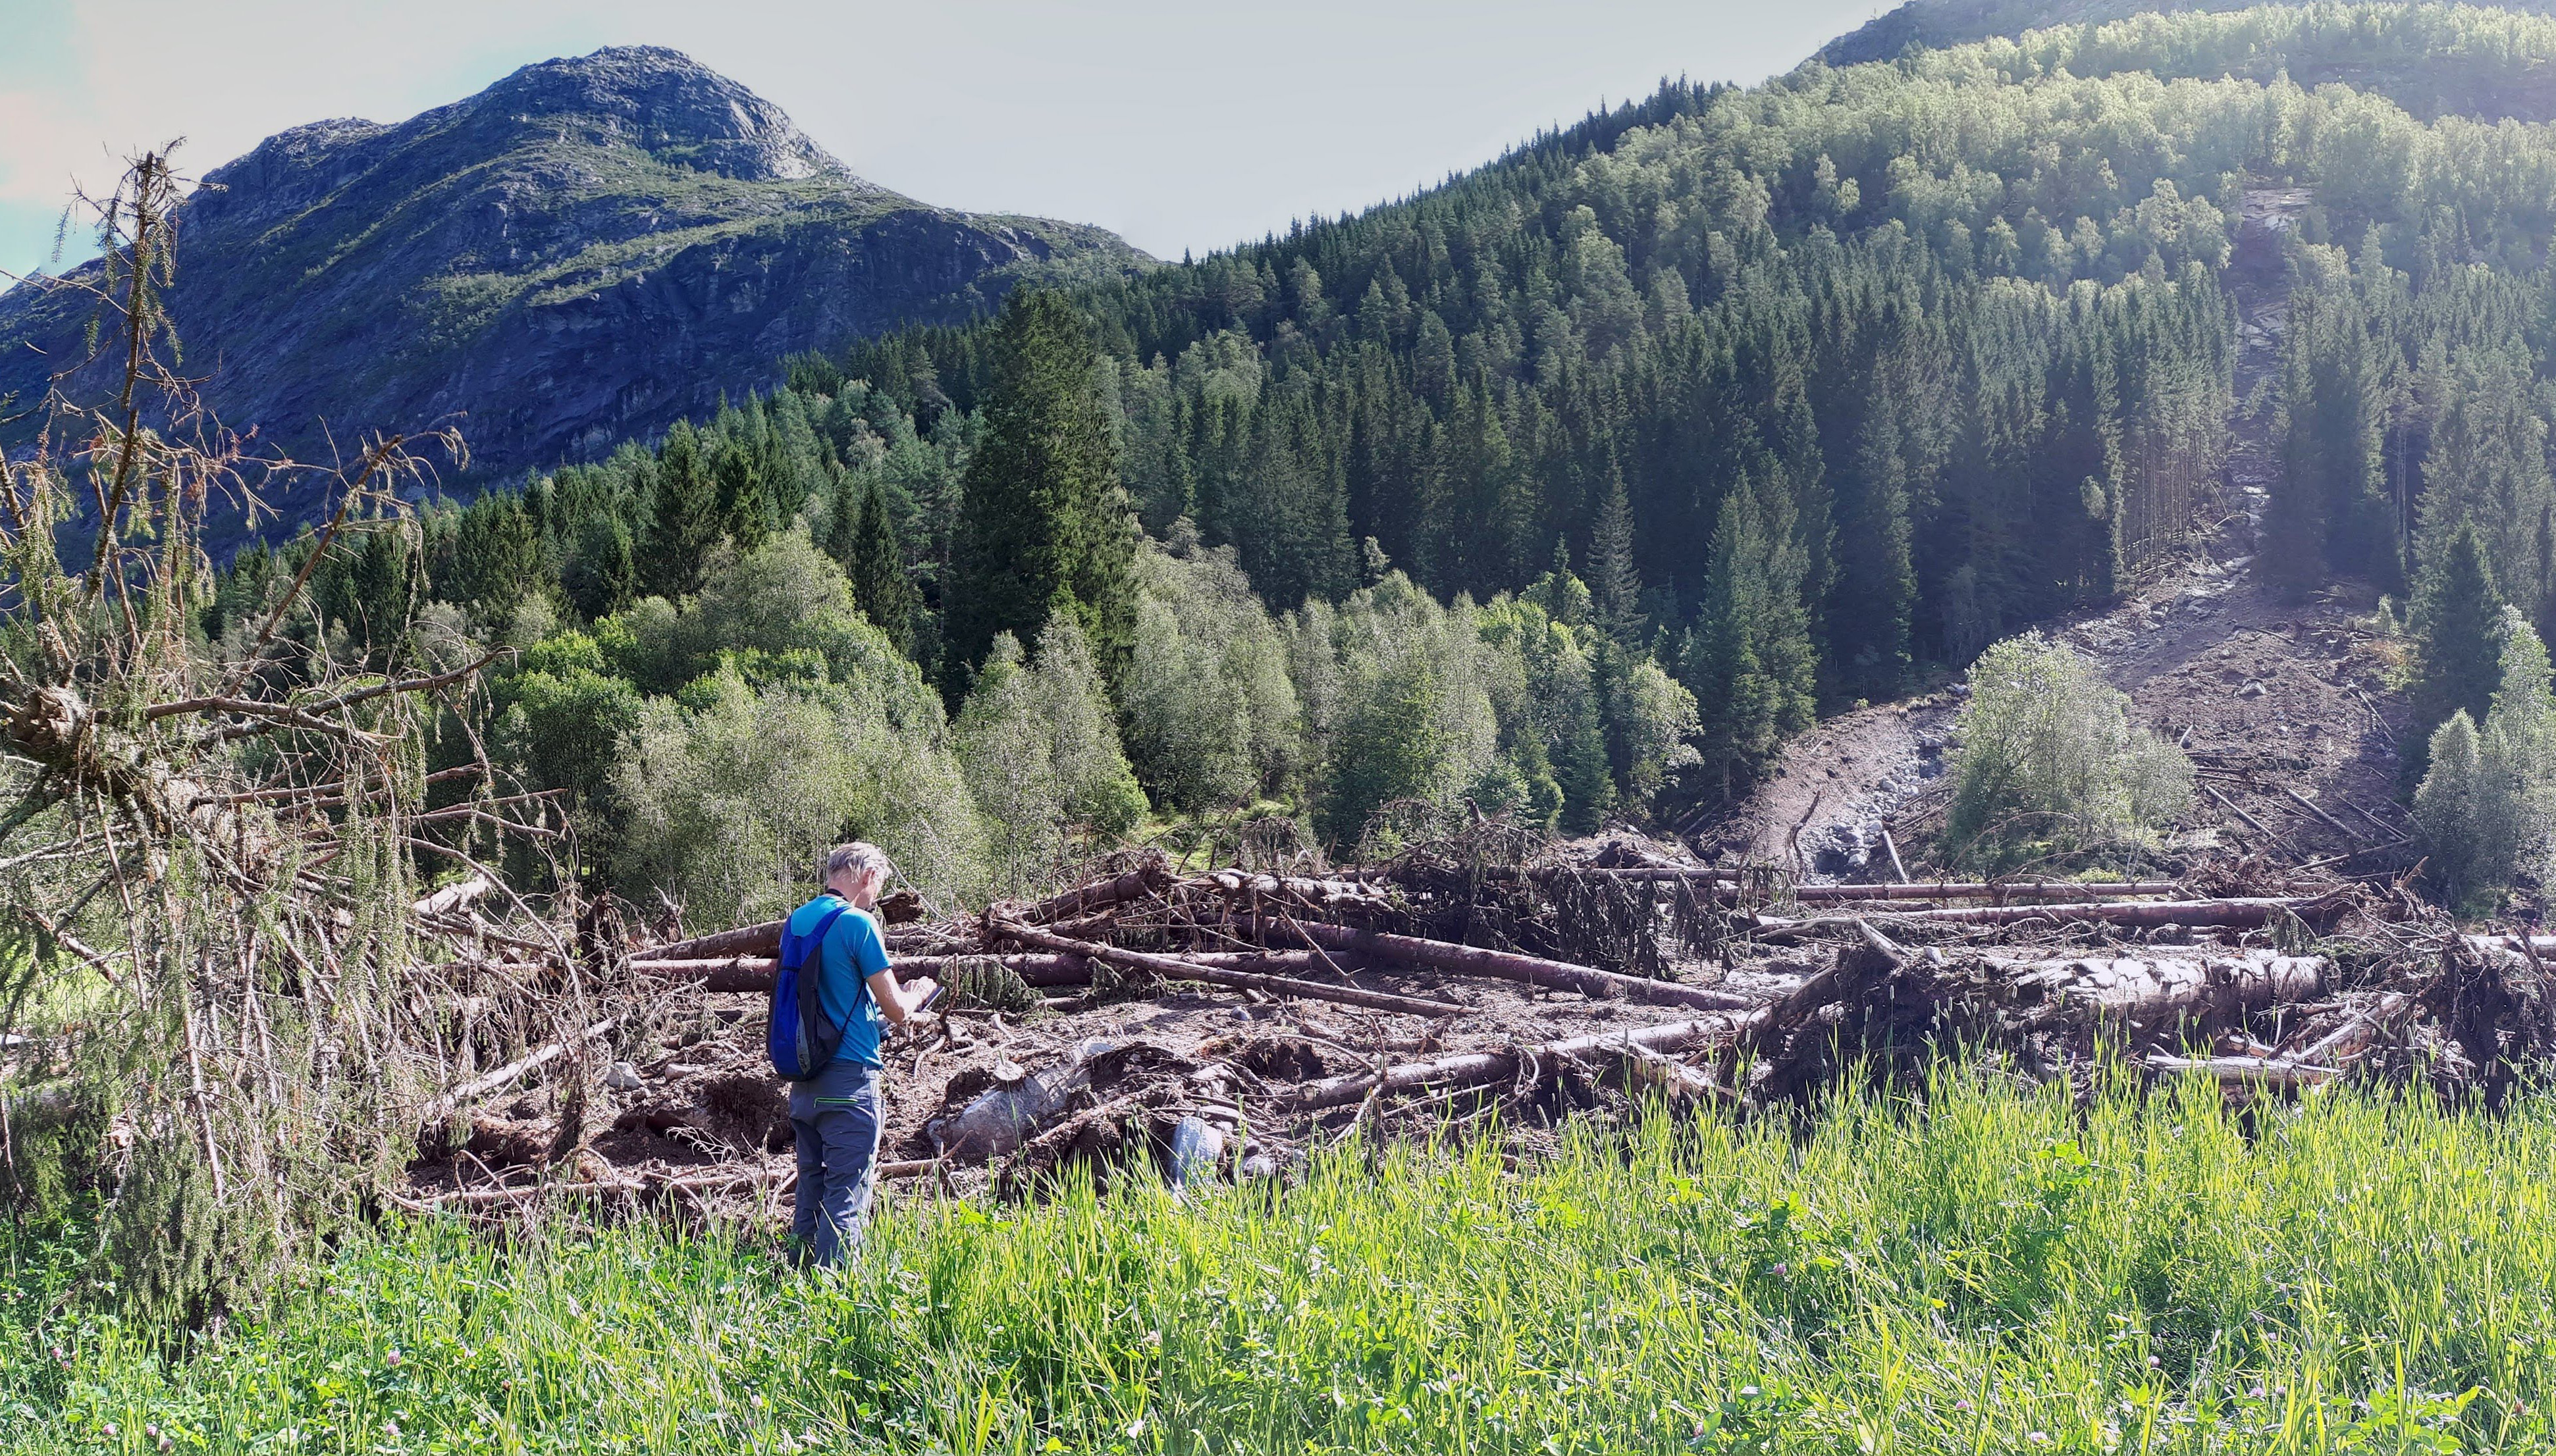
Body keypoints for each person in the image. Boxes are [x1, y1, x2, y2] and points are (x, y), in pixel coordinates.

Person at [785, 841, 937, 1268]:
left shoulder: (798, 921)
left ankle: (796, 1279)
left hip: (804, 1080)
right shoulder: (858, 922)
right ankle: (832, 1296)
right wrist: (917, 994)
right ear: (868, 876)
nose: (875, 897)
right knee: (847, 1190)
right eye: (878, 886)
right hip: (851, 1081)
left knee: (811, 1186)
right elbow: (895, 1009)